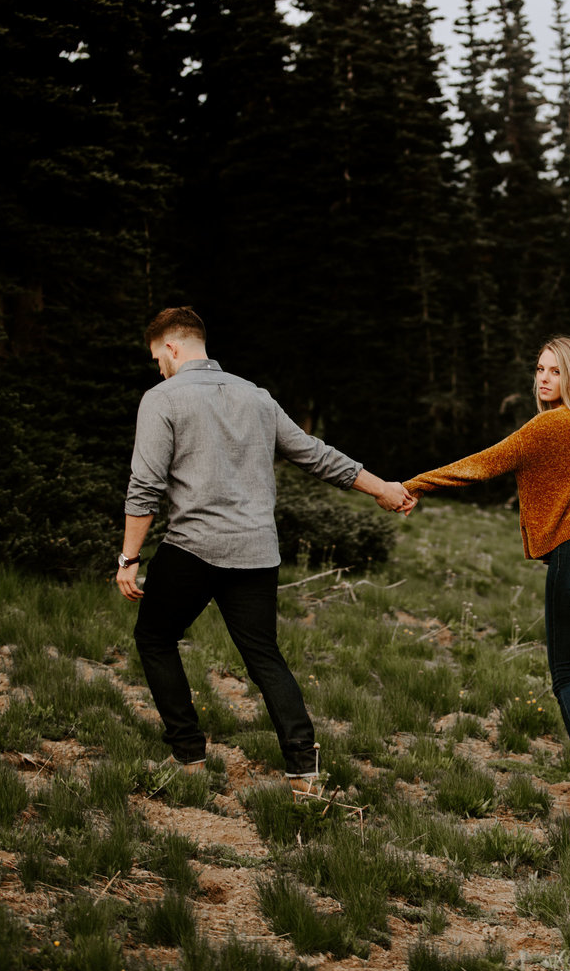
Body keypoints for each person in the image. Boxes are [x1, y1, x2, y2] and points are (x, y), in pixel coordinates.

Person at [116, 307, 412, 794]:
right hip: (256, 551)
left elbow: (144, 486)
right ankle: (304, 769)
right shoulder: (256, 397)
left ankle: (188, 754)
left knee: (154, 638)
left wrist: (129, 558)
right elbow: (314, 454)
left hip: (193, 547)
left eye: (157, 358)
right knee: (264, 656)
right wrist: (381, 487)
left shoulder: (161, 399)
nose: (159, 368)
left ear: (171, 347)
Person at [403, 336, 570, 834]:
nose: (542, 378)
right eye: (539, 369)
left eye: (554, 371)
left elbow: (484, 463)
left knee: (565, 677)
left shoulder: (549, 425)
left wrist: (414, 484)